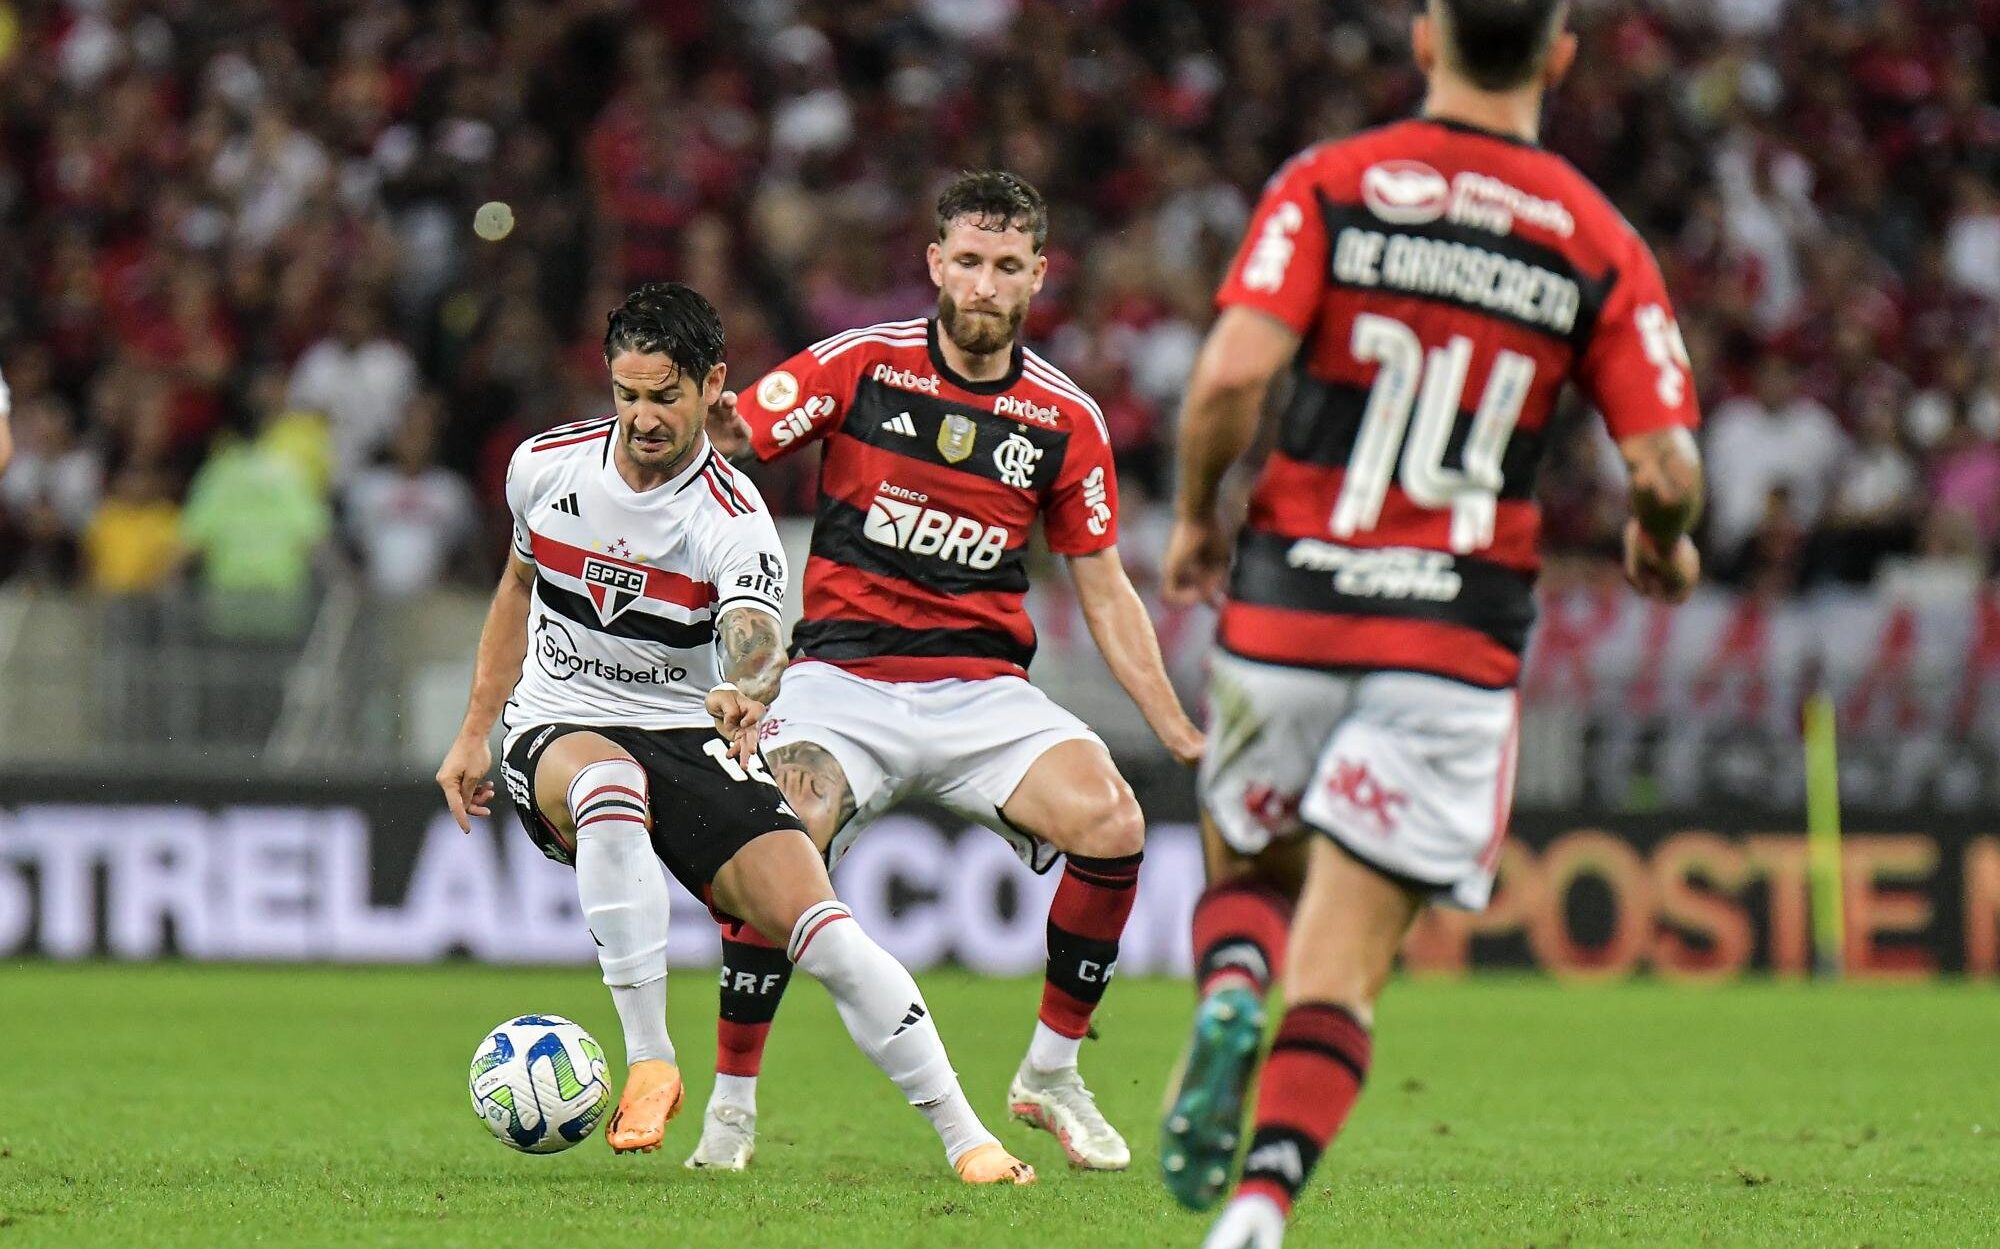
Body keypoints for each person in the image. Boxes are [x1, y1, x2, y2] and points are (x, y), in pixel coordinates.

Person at [1158, 3, 1706, 1245]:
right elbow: (1665, 468)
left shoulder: (1330, 184)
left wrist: (1198, 518)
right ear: (1559, 57)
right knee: (1345, 961)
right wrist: (1657, 541)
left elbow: (1231, 377)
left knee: (1249, 872)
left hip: (1289, 609)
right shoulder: (1595, 237)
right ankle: (1258, 1206)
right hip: (1452, 643)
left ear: (1424, 40)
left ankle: (1231, 977)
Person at [435, 282, 1034, 1184]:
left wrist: (746, 689)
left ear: (715, 385)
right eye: (627, 394)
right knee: (608, 785)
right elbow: (518, 591)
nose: (642, 418)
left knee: (824, 929)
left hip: (686, 730)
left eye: (665, 396)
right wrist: (475, 731)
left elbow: (754, 632)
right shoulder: (543, 468)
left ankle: (967, 1137)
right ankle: (650, 1057)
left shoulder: (732, 514)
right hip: (561, 722)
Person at [699, 171, 1204, 1172]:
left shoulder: (1064, 418)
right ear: (934, 264)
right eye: (966, 261)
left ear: (1036, 278)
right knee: (781, 834)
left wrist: (1178, 726)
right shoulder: (860, 365)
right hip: (840, 681)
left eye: (1005, 266)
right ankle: (731, 1105)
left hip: (983, 692)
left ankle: (1050, 1073)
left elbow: (1103, 590)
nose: (983, 283)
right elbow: (730, 442)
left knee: (1113, 821)